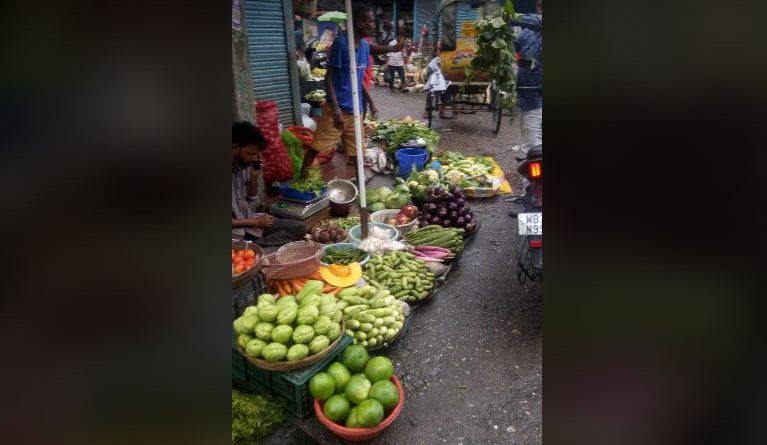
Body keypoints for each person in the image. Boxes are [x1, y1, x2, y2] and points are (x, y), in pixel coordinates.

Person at [300, 4, 380, 175]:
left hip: (355, 112)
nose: (374, 25)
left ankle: (359, 191)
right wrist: (336, 110)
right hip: (336, 111)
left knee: (358, 154)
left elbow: (357, 80)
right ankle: (301, 181)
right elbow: (328, 78)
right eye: (371, 22)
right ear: (360, 23)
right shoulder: (341, 44)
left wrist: (371, 103)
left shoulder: (365, 46)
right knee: (317, 148)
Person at [231, 121, 306, 247]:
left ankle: (254, 249)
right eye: (251, 153)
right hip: (235, 230)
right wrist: (254, 222)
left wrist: (254, 177)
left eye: (257, 154)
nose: (255, 158)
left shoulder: (246, 165)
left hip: (250, 222)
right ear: (235, 148)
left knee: (298, 228)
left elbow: (251, 199)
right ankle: (252, 251)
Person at [513, 0, 543, 159]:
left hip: (538, 89)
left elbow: (531, 20)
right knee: (526, 123)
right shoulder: (527, 32)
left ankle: (534, 173)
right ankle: (525, 154)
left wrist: (506, 17)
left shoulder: (536, 23)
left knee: (534, 127)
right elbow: (516, 48)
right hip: (525, 88)